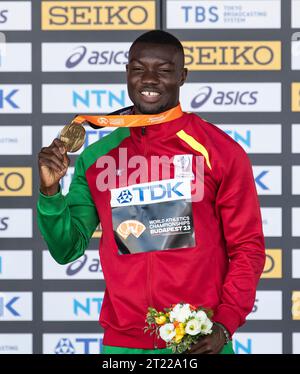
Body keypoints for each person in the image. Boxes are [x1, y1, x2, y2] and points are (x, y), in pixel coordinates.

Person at [37, 30, 266, 354]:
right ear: (127, 73)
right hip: (123, 346)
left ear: (182, 76)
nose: (149, 79)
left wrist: (225, 323)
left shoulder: (219, 151)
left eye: (164, 70)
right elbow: (67, 249)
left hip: (198, 341)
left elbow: (248, 249)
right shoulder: (96, 157)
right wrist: (50, 192)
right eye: (139, 68)